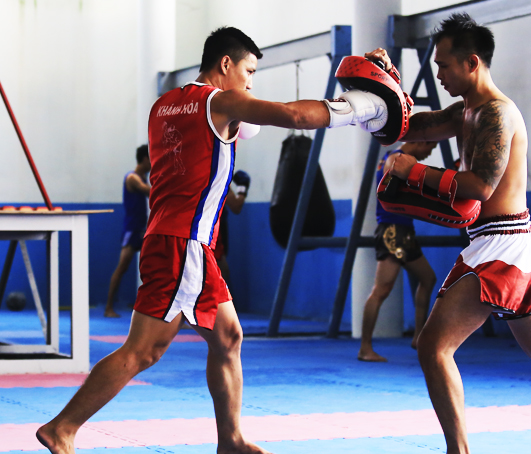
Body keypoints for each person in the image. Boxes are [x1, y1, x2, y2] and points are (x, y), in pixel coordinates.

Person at [36, 26, 388, 454]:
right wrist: (364, 105)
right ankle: (63, 428)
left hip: (174, 240)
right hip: (185, 243)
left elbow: (212, 139)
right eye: (249, 71)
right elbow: (296, 117)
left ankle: (231, 440)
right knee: (143, 351)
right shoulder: (218, 101)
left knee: (228, 336)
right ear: (226, 64)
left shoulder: (164, 105)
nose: (250, 82)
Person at [366, 13, 531, 454]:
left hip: (504, 247)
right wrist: (382, 84)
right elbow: (411, 126)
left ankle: (459, 450)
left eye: (445, 66)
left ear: (472, 63)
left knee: (433, 346)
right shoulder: (464, 111)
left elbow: (480, 186)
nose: (439, 74)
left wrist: (417, 170)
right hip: (499, 243)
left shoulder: (496, 114)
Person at [358, 141, 438, 362]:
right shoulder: (396, 160)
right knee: (381, 290)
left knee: (428, 278)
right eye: (429, 147)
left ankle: (418, 337)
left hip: (404, 230)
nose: (429, 153)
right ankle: (365, 348)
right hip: (393, 232)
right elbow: (393, 192)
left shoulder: (393, 158)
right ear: (419, 140)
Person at [104, 145, 151, 318]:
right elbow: (149, 192)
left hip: (143, 229)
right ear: (145, 159)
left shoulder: (144, 177)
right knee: (122, 268)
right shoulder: (132, 178)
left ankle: (146, 305)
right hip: (132, 229)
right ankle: (108, 307)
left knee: (154, 268)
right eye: (151, 158)